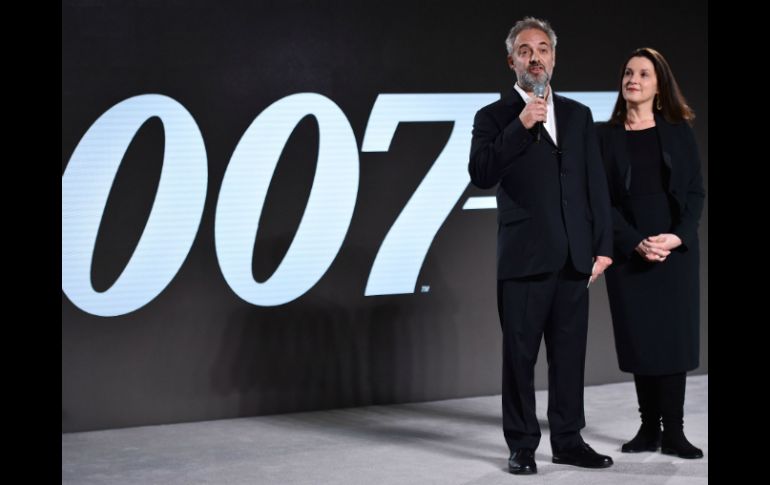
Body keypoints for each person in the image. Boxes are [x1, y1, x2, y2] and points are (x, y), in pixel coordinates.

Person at [468, 17, 614, 475]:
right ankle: (522, 445)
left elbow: (595, 183)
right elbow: (481, 173)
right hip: (524, 259)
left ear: (553, 58)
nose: (535, 58)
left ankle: (568, 440)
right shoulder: (493, 117)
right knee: (520, 358)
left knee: (569, 357)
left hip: (574, 256)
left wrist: (604, 244)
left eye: (543, 49)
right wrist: (520, 124)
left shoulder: (577, 114)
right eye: (525, 50)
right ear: (511, 61)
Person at [596, 47, 705, 459]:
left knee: (672, 341)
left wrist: (676, 238)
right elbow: (601, 200)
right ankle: (648, 429)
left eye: (643, 73)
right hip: (629, 252)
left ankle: (674, 432)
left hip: (674, 253)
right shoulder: (604, 136)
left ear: (659, 85)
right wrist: (633, 241)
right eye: (628, 72)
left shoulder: (678, 130)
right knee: (640, 339)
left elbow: (694, 193)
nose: (633, 80)